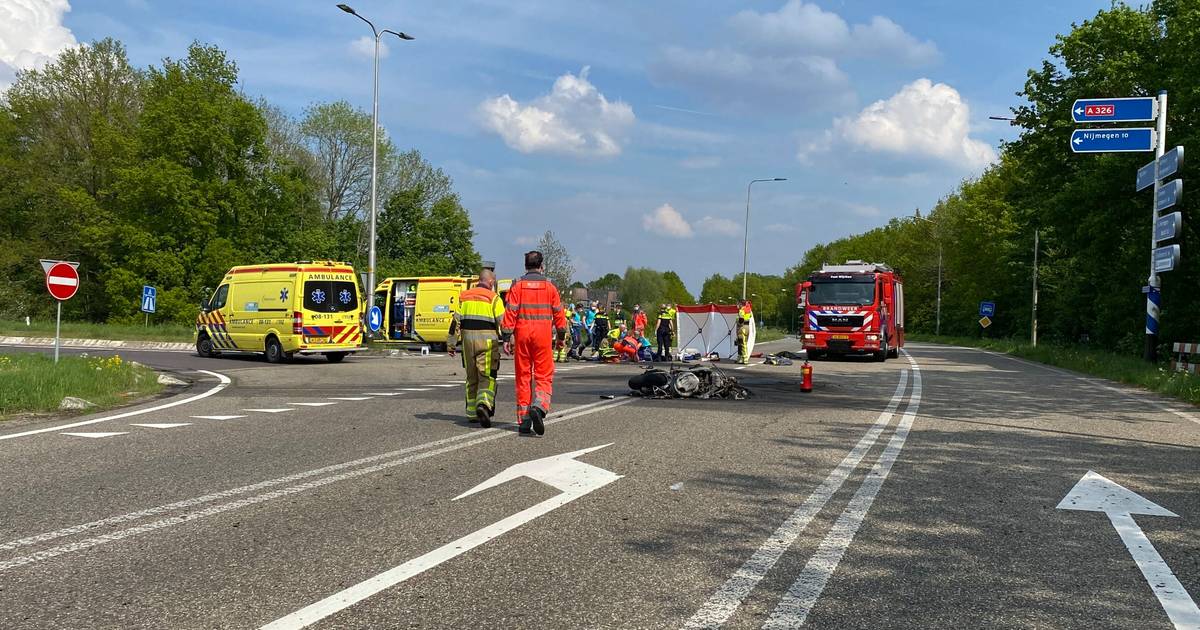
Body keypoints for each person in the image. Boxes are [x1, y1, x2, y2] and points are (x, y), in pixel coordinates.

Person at [501, 251, 567, 435]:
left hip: (522, 335)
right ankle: (539, 406)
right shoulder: (550, 287)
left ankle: (523, 421)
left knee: (523, 376)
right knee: (543, 375)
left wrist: (507, 338)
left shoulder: (517, 286)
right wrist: (561, 338)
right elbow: (559, 315)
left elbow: (510, 313)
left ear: (525, 266)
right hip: (543, 336)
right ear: (541, 266)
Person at [447, 269, 504, 427]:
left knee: (471, 378)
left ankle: (471, 414)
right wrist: (508, 340)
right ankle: (483, 405)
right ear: (491, 282)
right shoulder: (494, 299)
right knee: (487, 377)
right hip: (487, 344)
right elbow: (503, 323)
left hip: (467, 344)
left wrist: (451, 343)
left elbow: (454, 323)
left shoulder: (464, 297)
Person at [736, 299, 754, 364]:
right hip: (747, 328)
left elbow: (741, 320)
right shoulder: (748, 310)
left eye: (738, 304)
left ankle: (744, 359)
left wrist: (738, 323)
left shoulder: (741, 310)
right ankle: (741, 358)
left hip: (742, 328)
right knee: (743, 343)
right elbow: (750, 317)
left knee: (742, 344)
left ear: (741, 304)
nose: (737, 305)